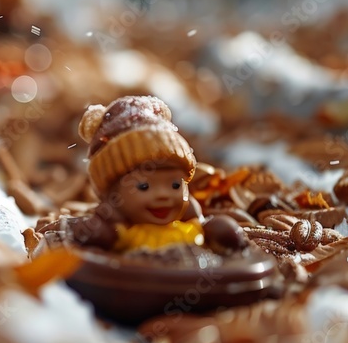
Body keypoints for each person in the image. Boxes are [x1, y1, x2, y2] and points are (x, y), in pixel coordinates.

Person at [70, 95, 246, 253]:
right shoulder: (125, 236)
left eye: (175, 185)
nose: (163, 195)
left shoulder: (191, 231)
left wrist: (218, 230)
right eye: (144, 187)